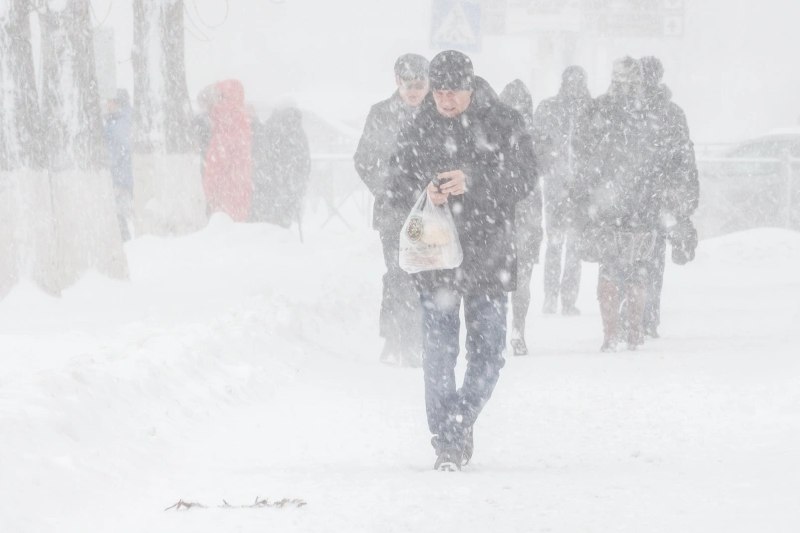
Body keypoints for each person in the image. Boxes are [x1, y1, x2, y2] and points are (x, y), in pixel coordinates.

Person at [389, 50, 537, 470]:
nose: (445, 101)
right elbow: (395, 182)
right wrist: (426, 190)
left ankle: (457, 421)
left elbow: (525, 176)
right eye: (438, 92)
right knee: (438, 353)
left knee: (488, 352)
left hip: (489, 253)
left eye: (453, 92)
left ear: (471, 87)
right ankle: (447, 441)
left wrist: (474, 181)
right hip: (436, 256)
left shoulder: (503, 121)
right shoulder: (421, 124)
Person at [572, 57, 666, 351]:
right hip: (640, 199)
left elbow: (581, 150)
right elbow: (659, 156)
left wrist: (588, 192)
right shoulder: (649, 112)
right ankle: (634, 332)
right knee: (638, 267)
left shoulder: (599, 109)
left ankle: (611, 333)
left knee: (610, 267)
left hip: (607, 199)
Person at [354, 53, 429, 366]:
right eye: (408, 84)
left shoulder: (436, 113)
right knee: (397, 273)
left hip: (426, 213)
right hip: (393, 211)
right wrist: (387, 187)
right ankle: (394, 338)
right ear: (397, 81)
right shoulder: (381, 113)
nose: (414, 91)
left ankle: (413, 340)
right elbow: (363, 158)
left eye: (420, 84)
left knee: (418, 272)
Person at [638, 56, 700, 338]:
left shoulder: (630, 109)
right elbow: (685, 157)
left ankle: (636, 316)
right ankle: (646, 317)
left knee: (634, 258)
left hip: (639, 195)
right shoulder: (672, 112)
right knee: (651, 260)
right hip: (657, 196)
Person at [532, 66, 593, 316]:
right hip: (559, 186)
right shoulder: (555, 109)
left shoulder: (591, 111)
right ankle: (553, 297)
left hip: (577, 187)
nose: (575, 86)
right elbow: (536, 144)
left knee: (572, 245)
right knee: (558, 243)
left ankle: (565, 299)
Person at [499, 80, 543, 356]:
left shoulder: (491, 130)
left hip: (497, 212)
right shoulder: (534, 134)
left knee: (496, 277)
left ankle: (502, 328)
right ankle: (518, 329)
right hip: (526, 211)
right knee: (522, 277)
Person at [199, 79, 253, 222]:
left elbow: (215, 169)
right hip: (238, 199)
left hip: (223, 204)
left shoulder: (224, 130)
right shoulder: (240, 124)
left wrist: (208, 195)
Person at [252, 106, 311, 229]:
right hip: (289, 186)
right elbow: (305, 161)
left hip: (272, 187)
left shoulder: (270, 127)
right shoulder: (298, 131)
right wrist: (299, 182)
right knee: (284, 220)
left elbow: (262, 156)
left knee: (270, 223)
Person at [104, 89, 134, 241]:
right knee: (119, 214)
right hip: (121, 176)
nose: (106, 105)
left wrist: (106, 162)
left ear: (117, 103)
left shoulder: (120, 123)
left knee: (119, 214)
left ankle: (125, 241)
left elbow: (120, 149)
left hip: (120, 177)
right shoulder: (118, 120)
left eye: (109, 102)